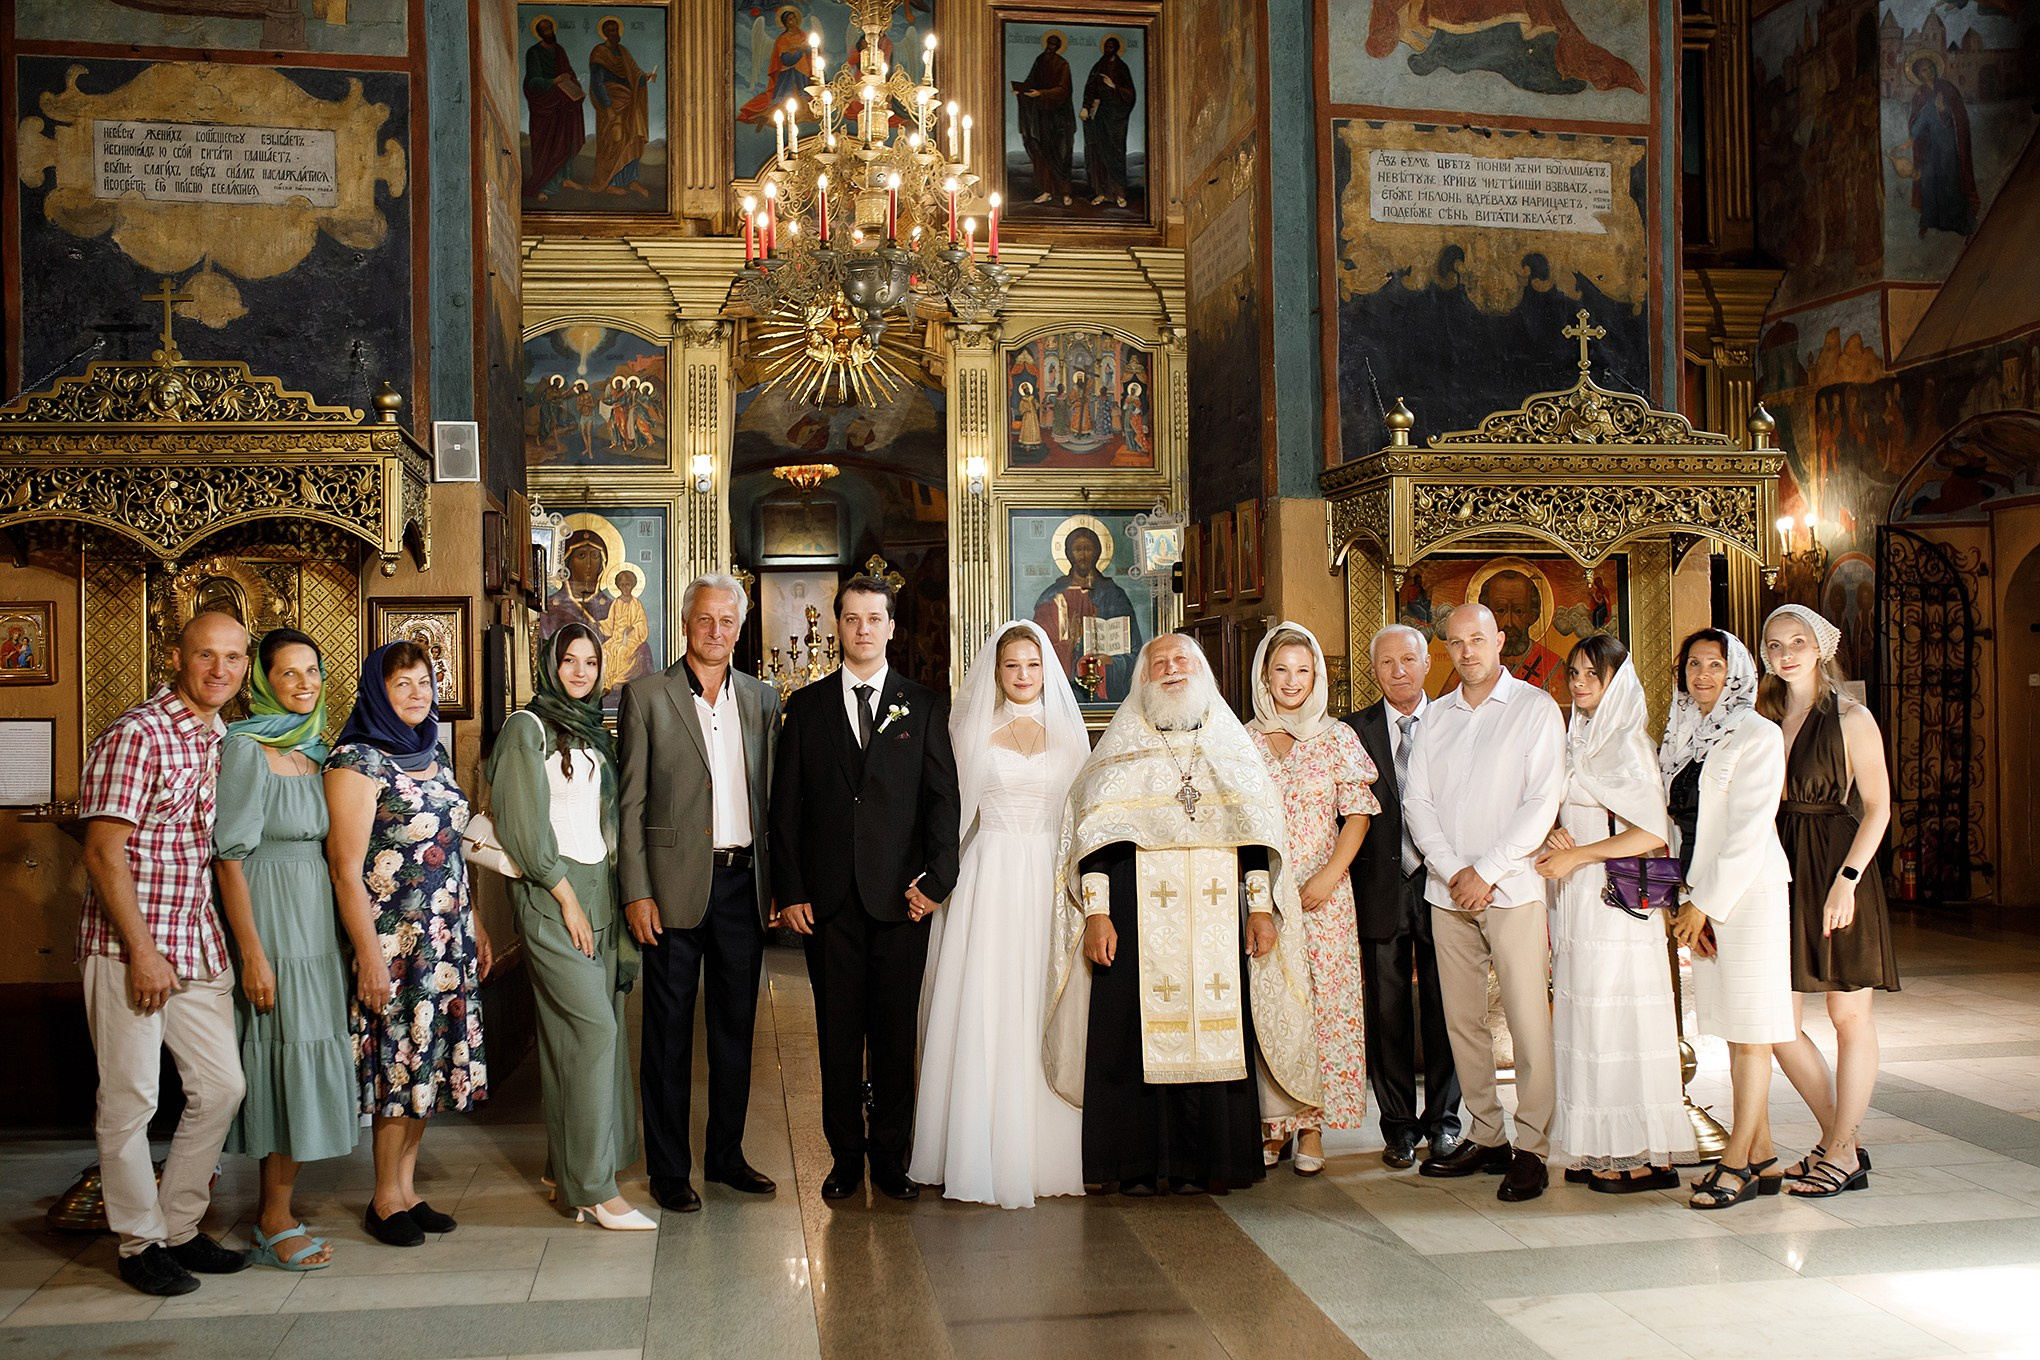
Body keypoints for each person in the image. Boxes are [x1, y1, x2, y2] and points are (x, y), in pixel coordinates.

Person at [1043, 634, 1321, 1195]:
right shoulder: (1118, 751)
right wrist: (1097, 915)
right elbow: (1093, 842)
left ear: (1202, 674)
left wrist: (1261, 909)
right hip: (1134, 919)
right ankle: (1137, 1165)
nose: (1170, 670)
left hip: (1220, 922)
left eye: (1181, 661)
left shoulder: (1232, 750)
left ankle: (1212, 1162)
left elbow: (1254, 839)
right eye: (1159, 663)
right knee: (1131, 1037)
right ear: (1141, 679)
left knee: (1220, 1034)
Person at [77, 611, 252, 1296]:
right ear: (175, 658)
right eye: (206, 655)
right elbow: (101, 850)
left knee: (222, 1087)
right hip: (132, 948)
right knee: (130, 1100)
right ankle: (137, 1242)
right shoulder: (138, 733)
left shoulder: (220, 737)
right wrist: (141, 951)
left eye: (234, 658)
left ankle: (178, 1226)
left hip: (196, 943)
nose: (220, 670)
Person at [771, 575, 960, 1203]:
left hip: (902, 903)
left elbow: (942, 805)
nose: (863, 630)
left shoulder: (924, 705)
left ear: (891, 626)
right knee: (837, 1035)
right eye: (852, 619)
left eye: (874, 619)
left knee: (894, 1034)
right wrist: (792, 889)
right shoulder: (807, 706)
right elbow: (786, 808)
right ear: (838, 626)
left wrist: (936, 883)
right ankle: (844, 1158)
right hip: (828, 905)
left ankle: (891, 1160)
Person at [909, 621, 1088, 1207]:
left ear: (1047, 670)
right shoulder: (972, 732)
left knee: (1042, 1001)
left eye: (1033, 666)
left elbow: (1082, 818)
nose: (1022, 675)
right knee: (990, 1001)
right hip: (989, 876)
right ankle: (977, 1148)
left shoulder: (1070, 732)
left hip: (1049, 877)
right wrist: (938, 880)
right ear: (996, 671)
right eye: (1012, 665)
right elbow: (947, 814)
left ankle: (1050, 1149)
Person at [618, 575, 781, 1213]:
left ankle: (726, 1156)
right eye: (705, 619)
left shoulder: (762, 700)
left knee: (737, 1027)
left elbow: (770, 799)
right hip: (672, 887)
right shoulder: (647, 697)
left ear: (740, 629)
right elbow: (629, 805)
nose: (716, 632)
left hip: (744, 883)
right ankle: (668, 1168)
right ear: (686, 623)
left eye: (727, 621)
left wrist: (777, 884)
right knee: (666, 1031)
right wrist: (637, 891)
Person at [326, 640, 492, 1248]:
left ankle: (408, 1189)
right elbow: (344, 869)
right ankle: (382, 1198)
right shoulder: (357, 761)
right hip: (393, 942)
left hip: (445, 937)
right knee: (399, 1065)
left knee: (427, 1064)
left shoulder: (434, 755)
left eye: (425, 681)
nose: (419, 692)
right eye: (403, 683)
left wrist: (474, 923)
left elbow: (453, 848)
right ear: (377, 690)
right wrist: (369, 954)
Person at [487, 623, 649, 1230]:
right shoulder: (525, 728)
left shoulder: (587, 730)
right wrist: (566, 900)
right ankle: (596, 1188)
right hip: (552, 894)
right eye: (569, 660)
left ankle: (565, 1174)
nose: (580, 672)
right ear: (549, 664)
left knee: (569, 1039)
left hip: (598, 892)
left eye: (590, 661)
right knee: (594, 1031)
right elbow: (524, 828)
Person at [1404, 603, 1564, 1203]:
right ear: (1446, 649)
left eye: (1478, 638)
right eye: (1456, 642)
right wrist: (1453, 871)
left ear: (1501, 640)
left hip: (1513, 889)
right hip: (1448, 894)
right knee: (1462, 1022)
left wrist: (1487, 871)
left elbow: (1542, 801)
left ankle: (1532, 1145)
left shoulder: (1534, 710)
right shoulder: (1436, 718)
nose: (1467, 651)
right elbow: (1417, 803)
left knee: (1526, 1019)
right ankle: (1488, 1133)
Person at [216, 628, 356, 1272]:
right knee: (279, 1060)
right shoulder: (245, 749)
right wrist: (252, 953)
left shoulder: (319, 752)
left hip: (316, 927)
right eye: (288, 673)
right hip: (271, 921)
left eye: (312, 672)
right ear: (264, 681)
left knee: (305, 1056)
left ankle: (278, 1210)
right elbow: (230, 859)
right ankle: (271, 1219)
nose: (303, 684)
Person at [1534, 636, 1692, 1191]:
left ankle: (1645, 1155)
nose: (1578, 683)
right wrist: (1560, 833)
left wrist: (1577, 852)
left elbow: (1652, 830)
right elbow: (1580, 809)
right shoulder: (1579, 738)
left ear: (1615, 681)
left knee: (1620, 1019)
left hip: (1617, 905)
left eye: (1591, 675)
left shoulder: (1627, 743)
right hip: (1579, 899)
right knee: (1587, 1020)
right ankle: (1598, 1143)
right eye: (1573, 672)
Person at [1759, 604, 1896, 1199]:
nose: (1785, 653)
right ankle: (1839, 1141)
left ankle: (1840, 1151)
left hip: (1838, 869)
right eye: (1773, 644)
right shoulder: (1760, 716)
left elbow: (1880, 807)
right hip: (1779, 869)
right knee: (1777, 1024)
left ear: (1820, 647)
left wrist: (1848, 879)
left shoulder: (1851, 716)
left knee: (1848, 1017)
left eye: (1797, 641)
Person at [1660, 629, 1793, 1210]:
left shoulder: (1757, 734)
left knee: (1751, 1030)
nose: (1703, 675)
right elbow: (1669, 825)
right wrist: (1678, 897)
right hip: (1703, 895)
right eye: (1694, 665)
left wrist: (1702, 904)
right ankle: (1763, 1154)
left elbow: (1747, 830)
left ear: (1737, 671)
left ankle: (1736, 1160)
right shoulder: (1680, 736)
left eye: (1715, 664)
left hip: (1750, 895)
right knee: (1734, 1027)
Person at [1246, 624, 1379, 1175]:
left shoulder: (1337, 737)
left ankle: (1312, 1127)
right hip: (1263, 890)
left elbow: (1359, 813)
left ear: (1317, 677)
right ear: (1264, 676)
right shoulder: (1243, 739)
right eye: (1281, 670)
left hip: (1323, 891)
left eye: (1303, 670)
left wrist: (1329, 875)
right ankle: (1272, 1123)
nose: (1292, 681)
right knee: (1271, 1003)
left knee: (1324, 1007)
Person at [1342, 625, 1462, 1169]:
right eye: (1387, 662)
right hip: (1379, 888)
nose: (1399, 670)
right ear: (1375, 670)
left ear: (1426, 663)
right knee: (1387, 1010)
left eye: (1409, 659)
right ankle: (1396, 1127)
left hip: (1443, 885)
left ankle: (1445, 1122)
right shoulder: (1352, 730)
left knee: (1445, 1006)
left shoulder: (1456, 722)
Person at [1032, 525, 1141, 703]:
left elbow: (1135, 651)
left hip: (1107, 690)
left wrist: (1111, 661)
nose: (1083, 555)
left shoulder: (1114, 595)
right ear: (1068, 554)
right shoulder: (1053, 596)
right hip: (1065, 689)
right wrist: (1069, 644)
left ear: (1097, 553)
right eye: (1077, 549)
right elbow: (1039, 648)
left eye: (1088, 548)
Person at [587, 17, 657, 196]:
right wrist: (608, 107)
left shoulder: (623, 52)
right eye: (610, 30)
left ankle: (631, 180)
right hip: (611, 102)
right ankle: (610, 182)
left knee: (631, 137)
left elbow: (633, 73)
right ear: (605, 33)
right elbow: (597, 83)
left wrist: (644, 77)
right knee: (614, 141)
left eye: (616, 29)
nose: (614, 33)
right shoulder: (599, 53)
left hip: (628, 101)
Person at [523, 15, 586, 200]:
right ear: (540, 33)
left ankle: (565, 178)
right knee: (549, 146)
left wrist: (576, 88)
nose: (549, 32)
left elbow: (569, 73)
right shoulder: (533, 53)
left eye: (550, 28)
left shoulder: (559, 50)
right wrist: (553, 81)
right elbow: (533, 81)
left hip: (563, 103)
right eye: (545, 30)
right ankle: (545, 187)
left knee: (565, 141)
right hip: (545, 107)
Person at [1013, 32, 1075, 205]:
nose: (1050, 46)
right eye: (1048, 43)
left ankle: (1065, 193)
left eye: (1054, 44)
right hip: (1041, 115)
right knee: (1042, 153)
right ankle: (1046, 191)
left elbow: (1064, 90)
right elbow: (1031, 79)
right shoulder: (1040, 60)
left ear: (1058, 46)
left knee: (1061, 154)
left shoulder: (1063, 64)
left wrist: (1042, 93)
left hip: (1060, 118)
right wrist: (1021, 90)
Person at [1080, 35, 1137, 207]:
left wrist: (1114, 87)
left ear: (1117, 48)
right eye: (1106, 46)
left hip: (1115, 118)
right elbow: (1090, 89)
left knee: (1115, 153)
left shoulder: (1121, 68)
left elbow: (1130, 95)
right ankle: (1102, 192)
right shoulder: (1098, 67)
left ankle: (1119, 194)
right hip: (1099, 115)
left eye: (1111, 46)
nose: (1108, 49)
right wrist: (1086, 106)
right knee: (1098, 153)